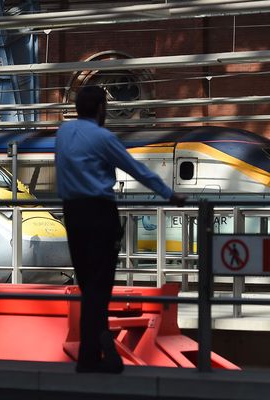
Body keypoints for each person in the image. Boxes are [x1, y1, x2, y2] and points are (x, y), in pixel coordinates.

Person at [55, 85, 186, 374]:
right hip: (100, 214)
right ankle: (98, 348)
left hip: (73, 214)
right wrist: (169, 194)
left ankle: (92, 356)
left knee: (88, 286)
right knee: (100, 288)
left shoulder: (63, 133)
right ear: (101, 108)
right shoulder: (103, 138)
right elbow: (137, 169)